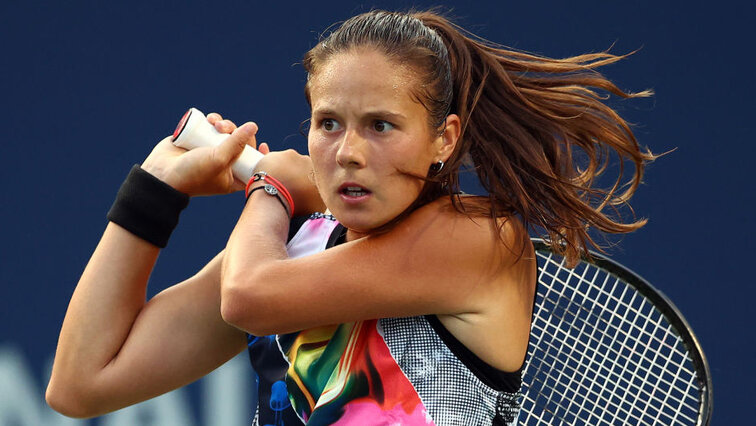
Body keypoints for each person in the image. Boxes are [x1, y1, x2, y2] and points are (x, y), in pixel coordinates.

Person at [45, 10, 655, 426]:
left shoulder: (481, 239)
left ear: (443, 139)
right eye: (328, 124)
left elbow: (249, 297)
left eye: (381, 125)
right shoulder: (295, 243)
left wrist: (269, 188)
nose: (349, 151)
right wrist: (155, 188)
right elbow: (81, 383)